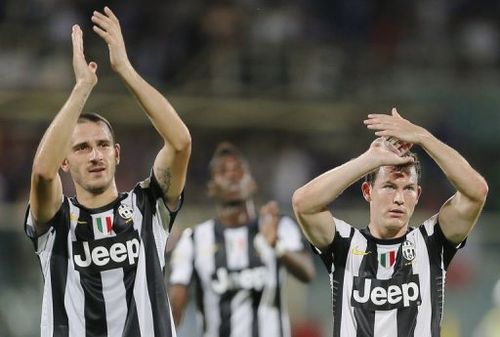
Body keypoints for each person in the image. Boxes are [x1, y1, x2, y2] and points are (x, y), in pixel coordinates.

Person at [25, 7, 191, 337]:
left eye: (103, 145)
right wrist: (82, 88)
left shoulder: (148, 206)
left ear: (116, 155)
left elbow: (180, 142)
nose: (95, 155)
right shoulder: (57, 219)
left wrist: (124, 68)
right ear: (65, 162)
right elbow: (42, 174)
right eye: (82, 148)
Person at [292, 108, 488, 336]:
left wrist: (423, 137)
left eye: (408, 189)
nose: (398, 199)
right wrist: (370, 160)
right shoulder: (345, 243)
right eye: (389, 187)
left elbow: (477, 191)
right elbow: (303, 203)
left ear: (418, 195)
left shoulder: (432, 242)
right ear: (367, 191)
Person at [168, 142, 315, 337]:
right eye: (223, 171)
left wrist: (276, 245)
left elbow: (307, 272)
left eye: (239, 169)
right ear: (211, 187)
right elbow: (176, 306)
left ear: (252, 182)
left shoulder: (278, 225)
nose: (232, 174)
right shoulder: (193, 240)